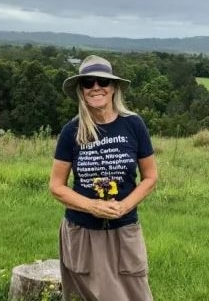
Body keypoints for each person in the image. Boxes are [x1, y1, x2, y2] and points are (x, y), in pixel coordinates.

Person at [49, 55, 158, 301]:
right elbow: (56, 186)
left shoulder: (133, 125)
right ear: (81, 90)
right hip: (82, 232)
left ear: (114, 88)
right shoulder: (71, 131)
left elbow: (150, 177)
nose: (96, 87)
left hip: (125, 230)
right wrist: (92, 206)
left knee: (136, 295)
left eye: (103, 81)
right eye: (88, 82)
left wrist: (124, 206)